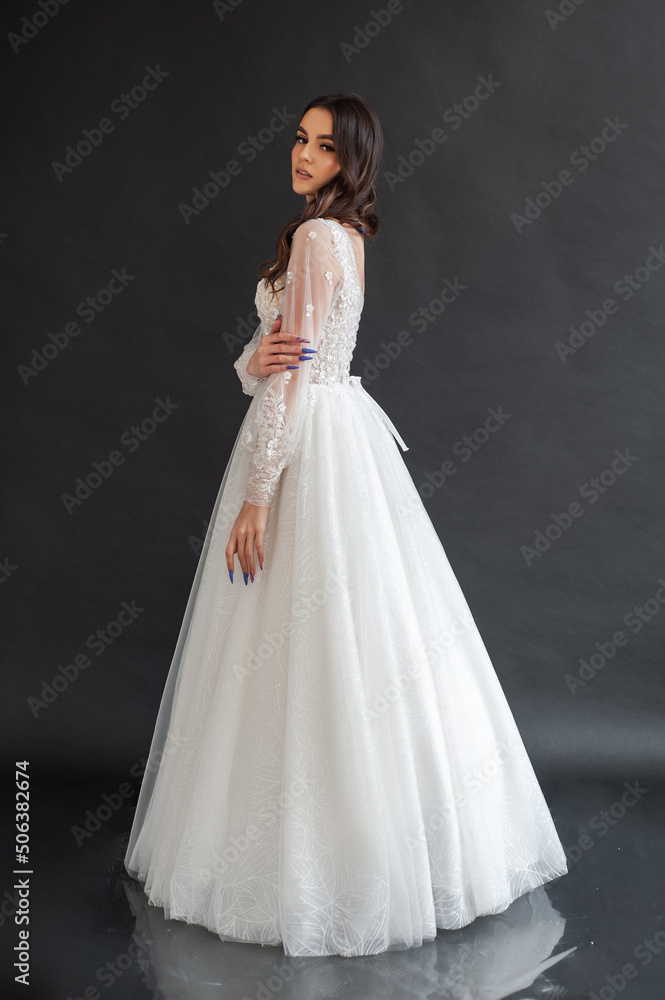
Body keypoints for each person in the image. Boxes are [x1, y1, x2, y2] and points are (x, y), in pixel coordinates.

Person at [124, 92, 568, 959]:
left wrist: (258, 493)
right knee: (344, 641)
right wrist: (249, 358)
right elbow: (276, 364)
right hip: (327, 430)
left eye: (322, 147)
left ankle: (325, 862)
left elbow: (293, 380)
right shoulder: (338, 237)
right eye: (297, 138)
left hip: (306, 448)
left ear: (350, 159)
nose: (302, 154)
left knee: (308, 638)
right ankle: (339, 840)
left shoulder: (318, 238)